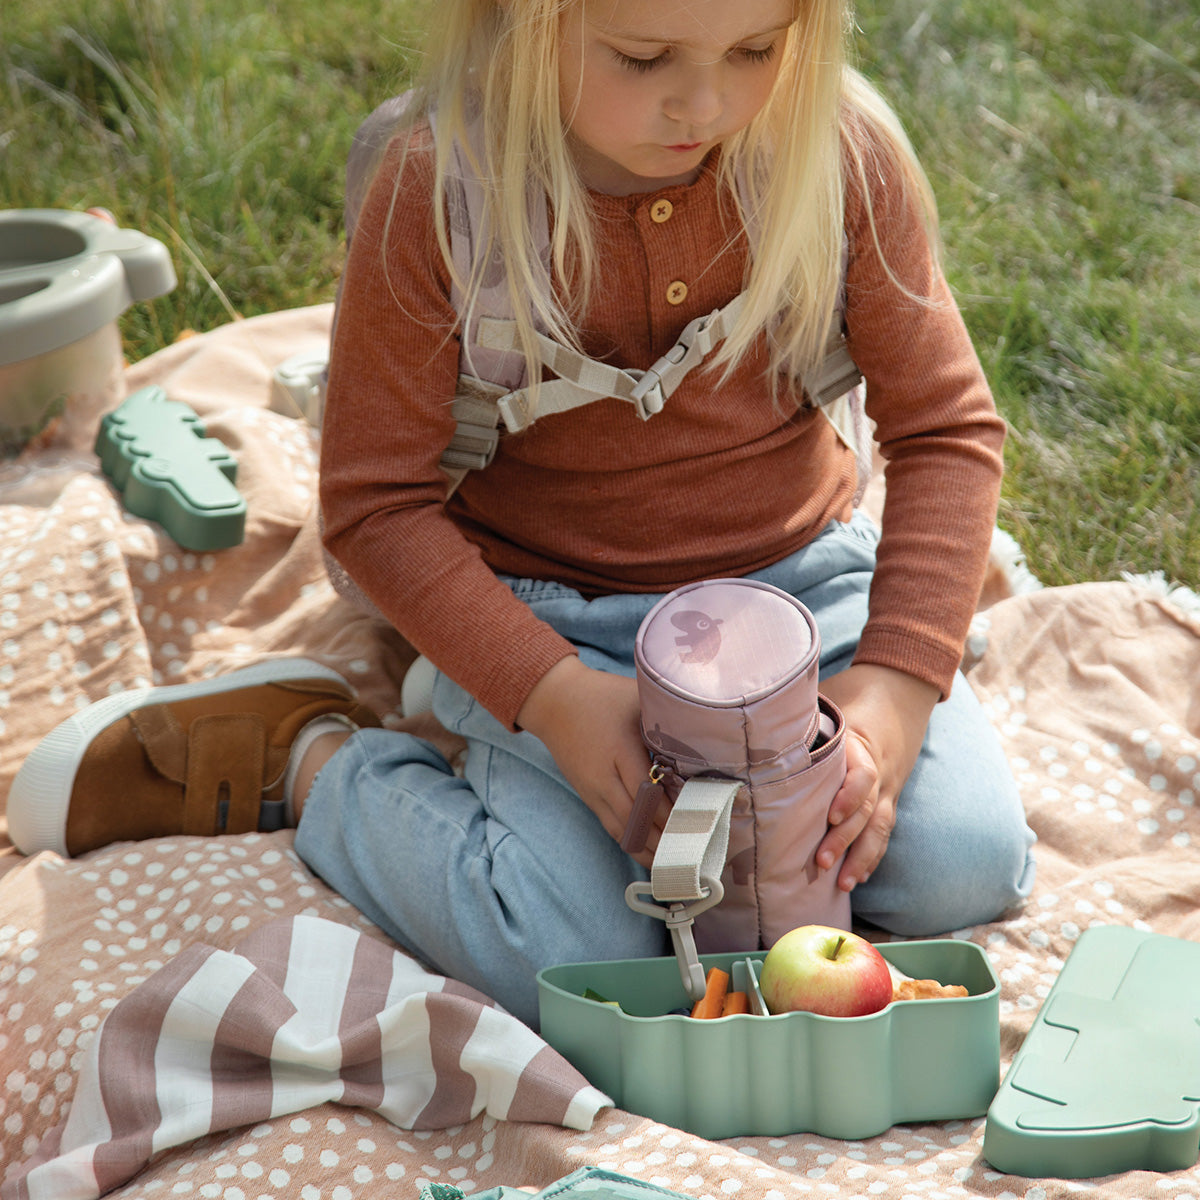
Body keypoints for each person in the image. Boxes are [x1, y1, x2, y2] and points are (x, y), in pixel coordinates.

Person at [9, 0, 1035, 1028]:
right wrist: (550, 698)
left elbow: (947, 431)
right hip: (557, 621)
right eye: (642, 57)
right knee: (573, 949)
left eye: (758, 51)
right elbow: (377, 508)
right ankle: (314, 758)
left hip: (797, 595)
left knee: (960, 870)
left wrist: (893, 695)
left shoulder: (835, 154)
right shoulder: (440, 190)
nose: (707, 101)